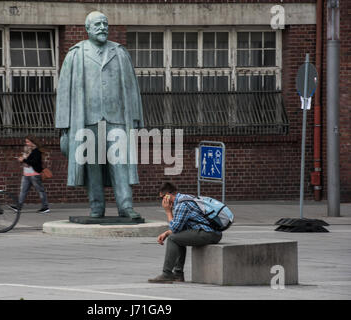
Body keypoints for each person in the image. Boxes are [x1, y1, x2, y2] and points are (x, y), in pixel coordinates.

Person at [56, 11, 144, 219]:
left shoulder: (120, 52)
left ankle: (126, 206)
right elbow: (64, 93)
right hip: (87, 120)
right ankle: (96, 206)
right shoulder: (76, 54)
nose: (103, 27)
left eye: (105, 24)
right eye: (97, 24)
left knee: (120, 163)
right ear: (87, 29)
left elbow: (132, 89)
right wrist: (64, 127)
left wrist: (136, 119)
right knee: (92, 166)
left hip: (117, 120)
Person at [148, 182, 223, 283]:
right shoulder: (185, 198)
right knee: (177, 237)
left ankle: (167, 274)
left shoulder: (181, 205)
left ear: (168, 195)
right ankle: (178, 275)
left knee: (173, 239)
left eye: (162, 198)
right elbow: (180, 227)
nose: (162, 202)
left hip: (207, 233)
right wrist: (166, 233)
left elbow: (175, 228)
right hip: (212, 233)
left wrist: (168, 211)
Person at [15, 136, 50, 214]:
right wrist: (22, 159)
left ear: (32, 142)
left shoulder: (36, 151)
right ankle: (18, 207)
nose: (26, 143)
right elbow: (28, 161)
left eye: (28, 142)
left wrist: (23, 159)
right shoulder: (29, 151)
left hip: (35, 174)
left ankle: (45, 207)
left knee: (40, 191)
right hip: (26, 174)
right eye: (26, 142)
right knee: (23, 191)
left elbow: (33, 162)